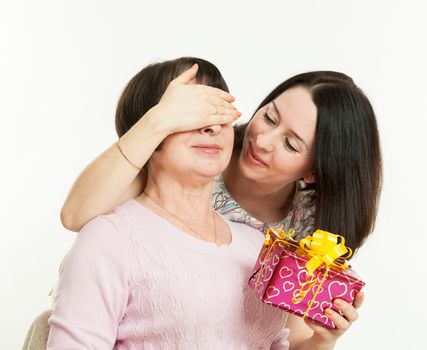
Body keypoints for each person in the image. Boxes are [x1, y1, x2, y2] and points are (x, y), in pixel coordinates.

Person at [60, 59, 382, 348]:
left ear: (312, 172)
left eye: (290, 143)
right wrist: (161, 119)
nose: (263, 141)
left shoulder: (295, 237)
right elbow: (78, 215)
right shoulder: (191, 157)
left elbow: (280, 340)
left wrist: (322, 341)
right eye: (269, 116)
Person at [48, 57, 290, 349]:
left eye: (219, 113)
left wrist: (320, 343)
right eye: (191, 114)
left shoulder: (256, 246)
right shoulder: (110, 239)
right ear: (149, 129)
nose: (212, 127)